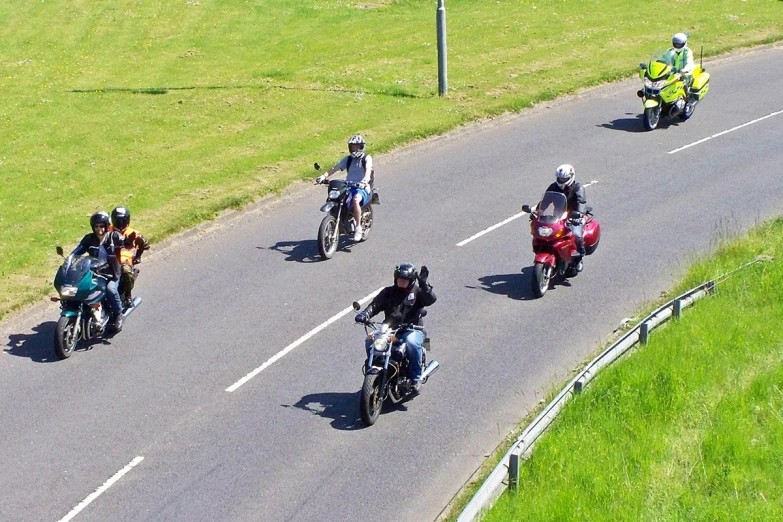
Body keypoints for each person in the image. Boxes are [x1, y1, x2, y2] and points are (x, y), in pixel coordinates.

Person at [355, 263, 436, 393]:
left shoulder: (417, 291)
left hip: (412, 328)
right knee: (370, 341)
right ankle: (374, 368)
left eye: (405, 280)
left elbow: (431, 300)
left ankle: (416, 378)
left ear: (411, 281)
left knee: (411, 343)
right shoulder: (388, 292)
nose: (402, 282)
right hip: (390, 329)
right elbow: (375, 305)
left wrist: (424, 286)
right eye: (400, 279)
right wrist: (365, 314)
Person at [69, 211, 125, 331]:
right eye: (96, 226)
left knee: (110, 289)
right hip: (93, 272)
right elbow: (77, 251)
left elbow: (124, 248)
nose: (99, 229)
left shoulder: (114, 237)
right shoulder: (89, 239)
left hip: (111, 273)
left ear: (106, 226)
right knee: (80, 287)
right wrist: (69, 259)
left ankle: (118, 315)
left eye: (101, 226)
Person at [315, 134, 373, 241]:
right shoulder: (348, 159)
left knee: (355, 200)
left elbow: (368, 170)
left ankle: (358, 228)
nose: (354, 149)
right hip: (349, 186)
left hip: (362, 187)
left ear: (361, 147)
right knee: (336, 199)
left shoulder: (366, 158)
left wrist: (365, 181)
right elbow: (335, 168)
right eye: (352, 147)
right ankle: (334, 222)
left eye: (356, 146)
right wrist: (323, 176)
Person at [544, 164, 587, 271]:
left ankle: (579, 258)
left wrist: (578, 214)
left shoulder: (578, 188)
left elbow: (580, 202)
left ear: (571, 177)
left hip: (574, 216)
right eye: (560, 178)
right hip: (558, 215)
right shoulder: (553, 187)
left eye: (564, 179)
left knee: (576, 234)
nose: (562, 180)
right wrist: (537, 211)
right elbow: (545, 200)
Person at [110, 206, 150, 307]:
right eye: (117, 221)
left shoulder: (133, 233)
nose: (120, 224)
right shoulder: (108, 230)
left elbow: (145, 244)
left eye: (122, 221)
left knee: (126, 272)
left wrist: (138, 256)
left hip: (125, 261)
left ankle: (128, 295)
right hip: (109, 258)